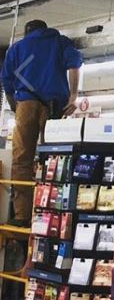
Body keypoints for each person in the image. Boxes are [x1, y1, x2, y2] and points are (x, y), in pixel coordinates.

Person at [1, 20, 83, 224]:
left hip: (25, 103)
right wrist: (73, 95)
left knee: (22, 159)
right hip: (54, 106)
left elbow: (7, 82)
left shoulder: (17, 48)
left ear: (26, 31)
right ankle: (48, 213)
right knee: (54, 159)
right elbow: (74, 65)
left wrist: (15, 106)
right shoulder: (60, 42)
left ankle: (21, 215)